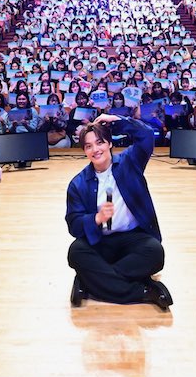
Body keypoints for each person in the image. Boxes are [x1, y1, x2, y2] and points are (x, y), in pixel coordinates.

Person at [66, 113, 172, 310]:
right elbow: (73, 224)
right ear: (84, 151)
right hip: (101, 241)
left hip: (133, 238)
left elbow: (147, 135)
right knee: (76, 253)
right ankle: (145, 291)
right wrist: (96, 218)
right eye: (89, 146)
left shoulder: (130, 162)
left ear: (109, 144)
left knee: (155, 253)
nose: (96, 150)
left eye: (100, 143)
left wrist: (118, 121)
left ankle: (89, 282)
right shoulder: (77, 183)